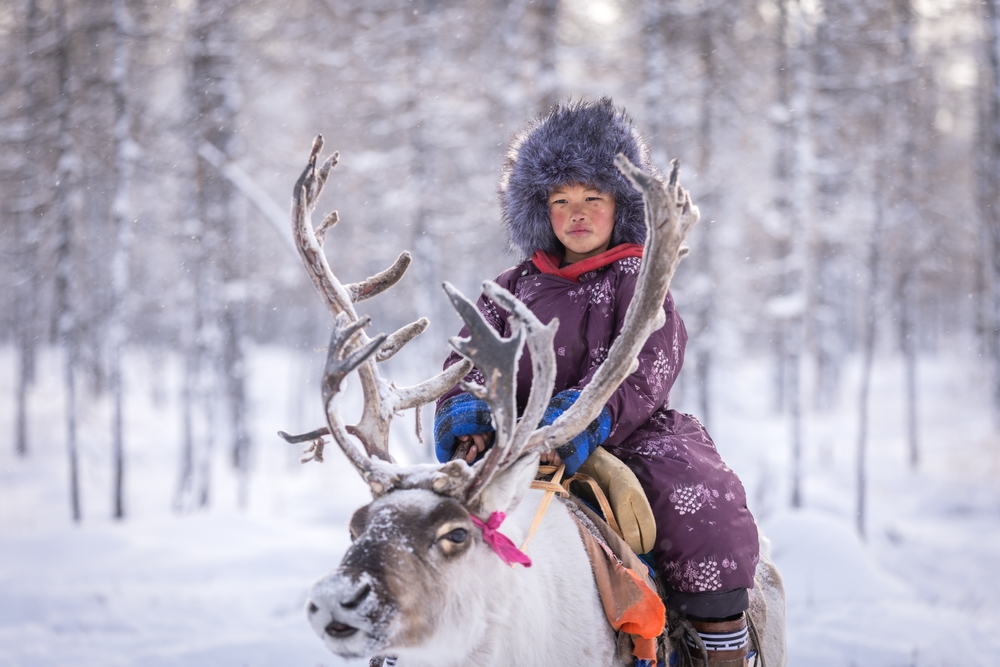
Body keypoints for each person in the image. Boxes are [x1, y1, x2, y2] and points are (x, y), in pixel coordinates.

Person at [433, 98, 759, 666]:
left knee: (702, 501)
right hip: (514, 443)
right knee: (428, 520)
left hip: (625, 431)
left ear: (620, 205)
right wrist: (471, 421)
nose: (576, 214)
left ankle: (719, 640)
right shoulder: (509, 288)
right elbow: (465, 364)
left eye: (592, 198)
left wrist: (576, 420)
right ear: (540, 210)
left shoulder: (639, 275)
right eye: (560, 200)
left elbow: (649, 364)